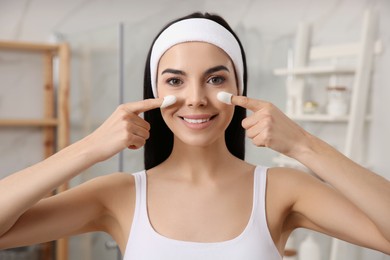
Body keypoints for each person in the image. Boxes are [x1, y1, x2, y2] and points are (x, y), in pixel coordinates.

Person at [0, 12, 389, 259]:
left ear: (239, 88)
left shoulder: (281, 190)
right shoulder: (119, 195)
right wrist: (89, 148)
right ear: (155, 93)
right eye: (175, 81)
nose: (197, 99)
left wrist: (304, 145)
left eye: (215, 79)